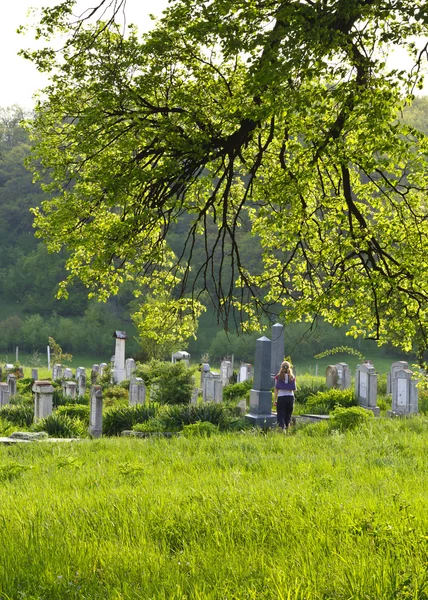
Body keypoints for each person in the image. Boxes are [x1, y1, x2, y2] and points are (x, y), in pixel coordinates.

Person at [274, 360, 296, 432]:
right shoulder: (292, 377)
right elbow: (294, 389)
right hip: (290, 397)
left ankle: (282, 429)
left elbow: (276, 389)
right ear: (289, 367)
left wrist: (275, 400)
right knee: (288, 415)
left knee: (280, 414)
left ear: (281, 367)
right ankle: (287, 428)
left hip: (281, 397)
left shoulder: (278, 377)